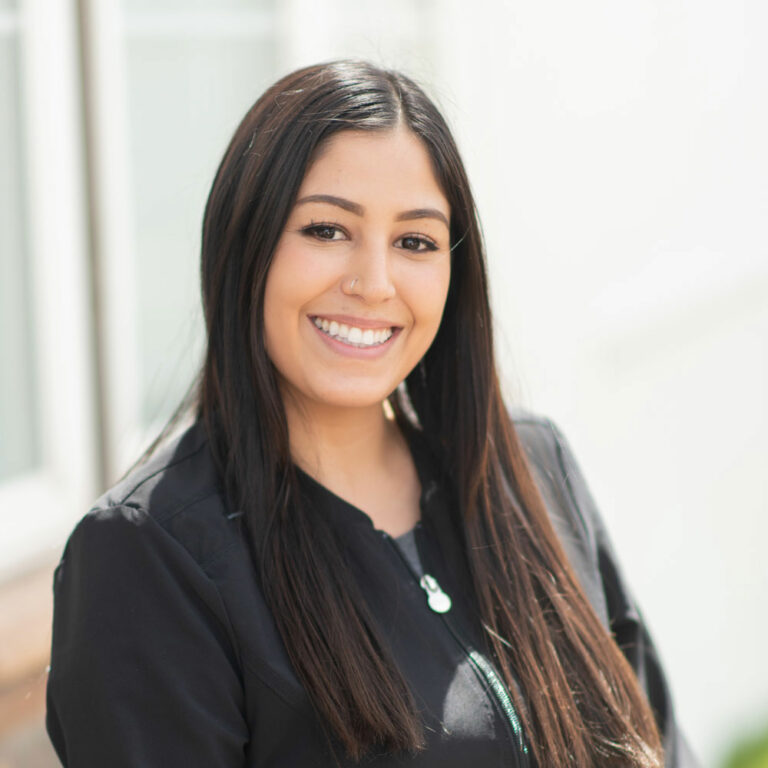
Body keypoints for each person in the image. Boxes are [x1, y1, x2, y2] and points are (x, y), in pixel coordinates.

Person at [45, 60, 699, 768]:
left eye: (415, 241)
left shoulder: (534, 471)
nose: (373, 283)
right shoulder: (150, 557)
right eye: (327, 230)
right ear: (246, 244)